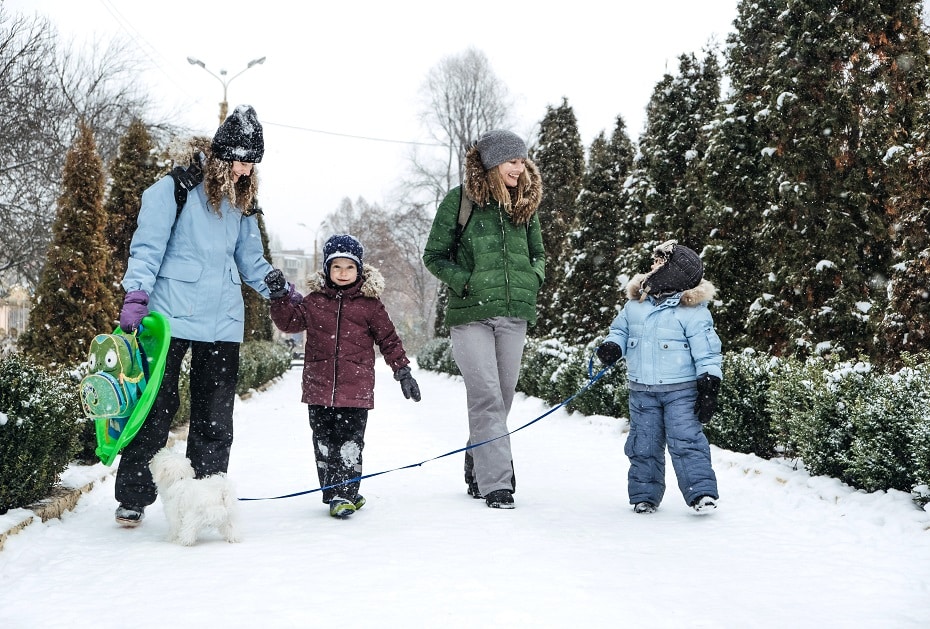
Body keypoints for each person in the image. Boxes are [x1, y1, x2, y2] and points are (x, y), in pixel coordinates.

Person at [114, 105, 275, 526]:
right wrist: (136, 294)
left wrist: (279, 289)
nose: (245, 171)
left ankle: (205, 498)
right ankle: (133, 495)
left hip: (222, 322)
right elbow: (147, 247)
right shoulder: (175, 188)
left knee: (215, 417)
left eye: (251, 165)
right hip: (170, 317)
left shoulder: (243, 202)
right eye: (241, 162)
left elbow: (251, 260)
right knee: (155, 409)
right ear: (223, 156)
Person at [422, 129, 544, 509]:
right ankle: (497, 484)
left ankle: (478, 460)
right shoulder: (461, 201)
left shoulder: (524, 204)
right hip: (471, 315)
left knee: (502, 398)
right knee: (487, 397)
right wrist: (466, 281)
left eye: (522, 160)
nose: (520, 167)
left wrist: (533, 278)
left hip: (514, 315)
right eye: (512, 160)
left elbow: (539, 254)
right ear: (493, 164)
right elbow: (434, 255)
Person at [264, 234, 421, 518]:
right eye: (337, 267)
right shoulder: (313, 302)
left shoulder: (370, 305)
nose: (343, 273)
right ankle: (335, 492)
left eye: (349, 267)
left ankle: (344, 492)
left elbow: (388, 339)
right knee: (324, 442)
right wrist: (279, 298)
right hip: (319, 387)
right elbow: (289, 322)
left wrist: (402, 370)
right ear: (327, 270)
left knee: (349, 443)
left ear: (359, 270)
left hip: (355, 389)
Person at [595, 240, 722, 515]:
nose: (652, 266)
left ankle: (700, 492)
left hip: (682, 391)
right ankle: (645, 495)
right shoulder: (635, 306)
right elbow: (619, 331)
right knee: (644, 444)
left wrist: (710, 383)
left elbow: (708, 351)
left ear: (674, 270)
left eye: (659, 262)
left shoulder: (692, 311)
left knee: (686, 440)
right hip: (642, 390)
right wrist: (612, 346)